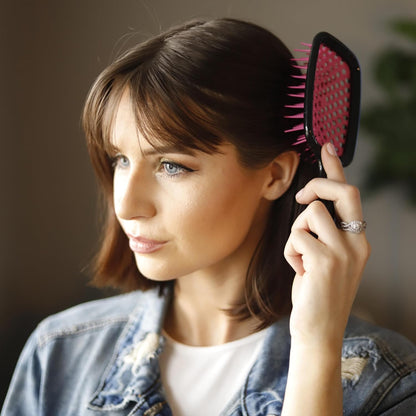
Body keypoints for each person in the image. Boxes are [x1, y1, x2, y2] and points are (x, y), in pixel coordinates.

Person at [2, 18, 415, 416]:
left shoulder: (387, 382)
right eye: (121, 160)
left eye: (172, 166)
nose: (126, 205)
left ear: (275, 174)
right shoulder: (58, 354)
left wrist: (316, 345)